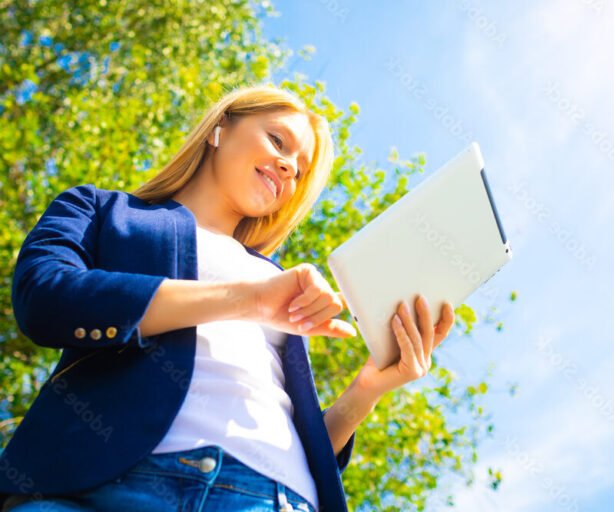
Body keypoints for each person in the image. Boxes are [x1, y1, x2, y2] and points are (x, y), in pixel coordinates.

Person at [0, 84, 455, 512]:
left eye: (297, 169)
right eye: (278, 141)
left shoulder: (274, 274)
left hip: (270, 494)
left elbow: (298, 440)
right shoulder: (103, 210)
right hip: (94, 489)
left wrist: (370, 387)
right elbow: (45, 297)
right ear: (221, 127)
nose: (286, 167)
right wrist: (247, 300)